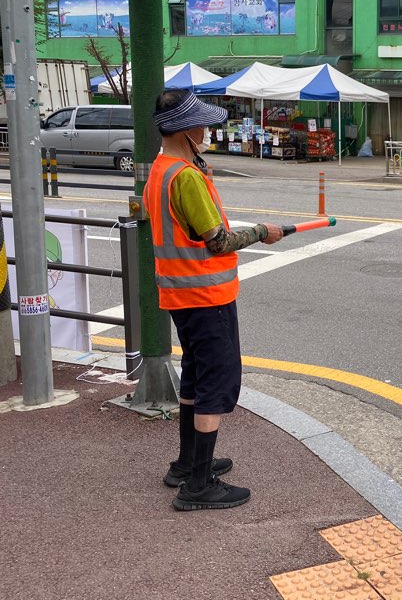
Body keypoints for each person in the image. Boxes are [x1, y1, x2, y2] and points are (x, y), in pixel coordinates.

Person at [143, 90, 284, 511]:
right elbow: (218, 241)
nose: (207, 131)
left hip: (180, 294)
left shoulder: (161, 170)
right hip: (206, 295)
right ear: (185, 130)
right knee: (216, 382)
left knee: (195, 374)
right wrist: (261, 232)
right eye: (202, 125)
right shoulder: (185, 177)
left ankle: (187, 464)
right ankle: (199, 485)